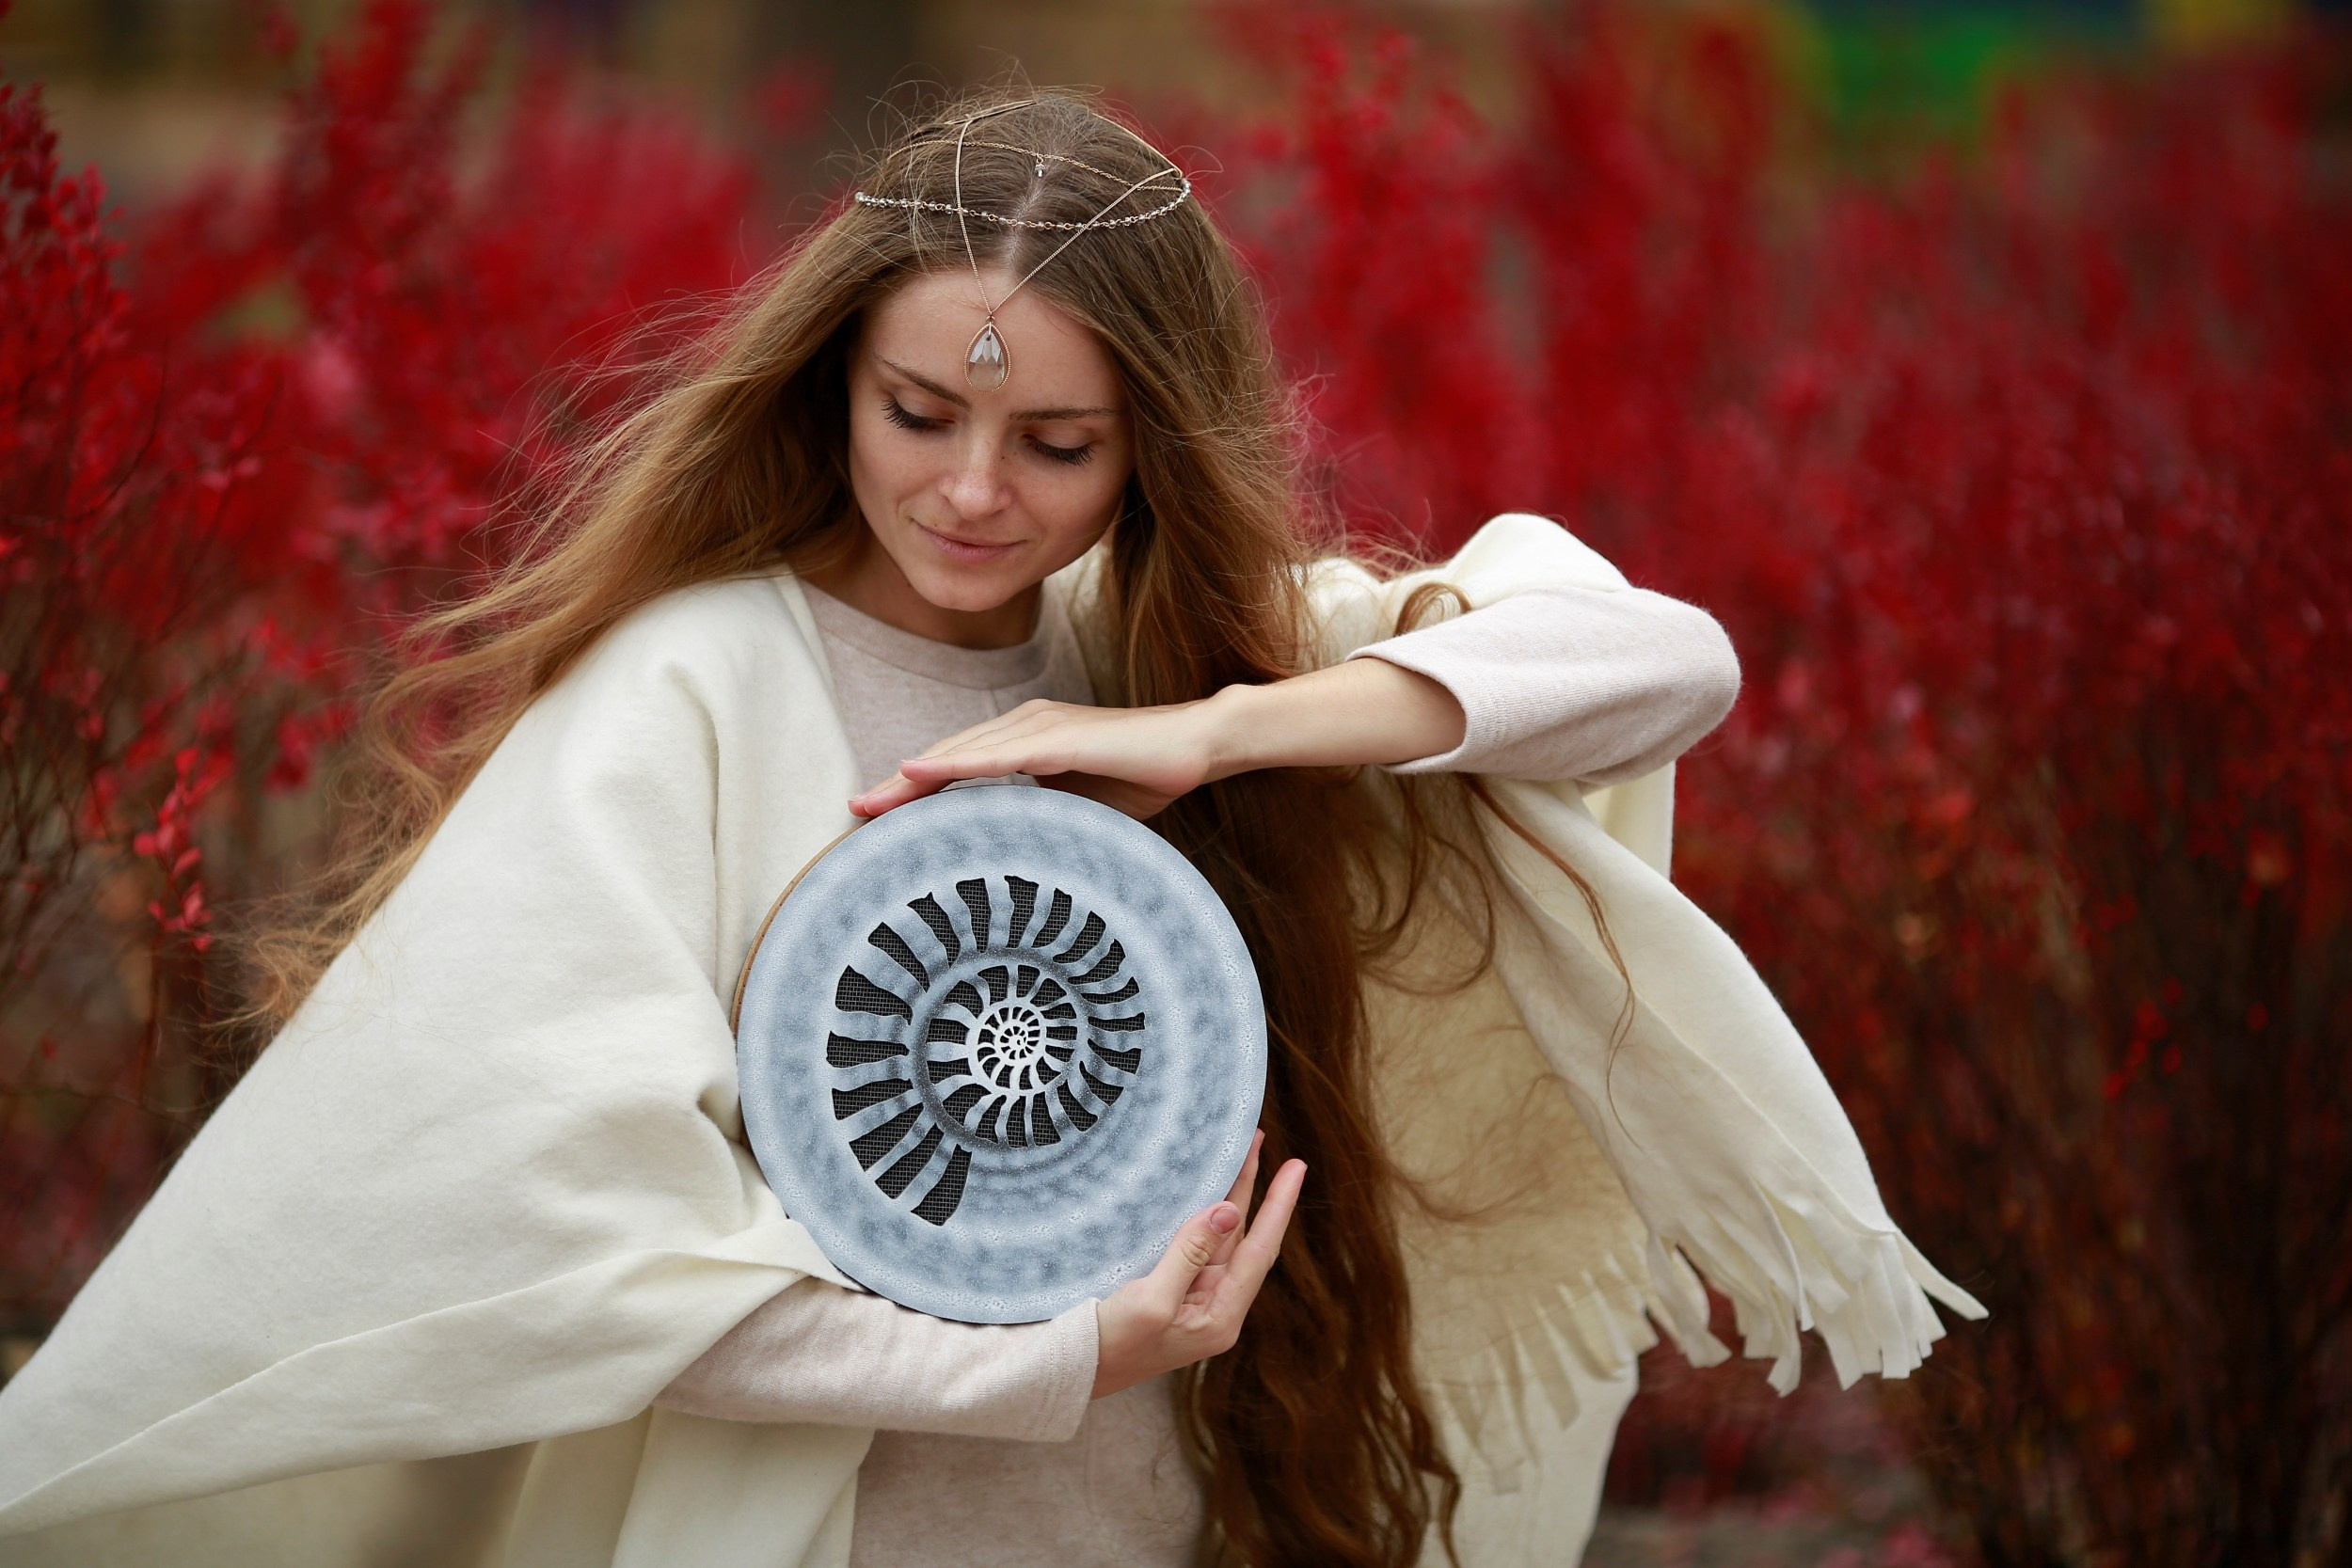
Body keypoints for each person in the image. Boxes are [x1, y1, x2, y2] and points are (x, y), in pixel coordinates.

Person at [0, 91, 1982, 1568]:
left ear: (1153, 444)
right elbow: (576, 1247)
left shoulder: (1145, 652)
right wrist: (1043, 1362)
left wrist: (1215, 731)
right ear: (827, 388)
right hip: (810, 1521)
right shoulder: (694, 690)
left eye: (1055, 445)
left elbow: (1661, 663)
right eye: (913, 416)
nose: (969, 495)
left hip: (1170, 1509)